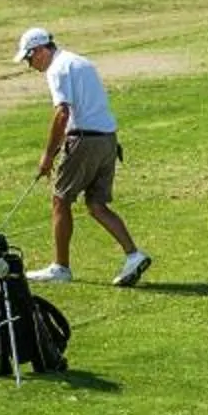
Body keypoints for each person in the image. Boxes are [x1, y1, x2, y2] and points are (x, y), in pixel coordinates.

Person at [13, 27, 150, 287]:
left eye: (29, 59)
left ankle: (60, 268)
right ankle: (134, 255)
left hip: (84, 140)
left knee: (60, 200)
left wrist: (48, 155)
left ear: (41, 50)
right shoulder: (80, 61)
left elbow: (62, 113)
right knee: (96, 205)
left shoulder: (57, 69)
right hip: (108, 139)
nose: (30, 65)